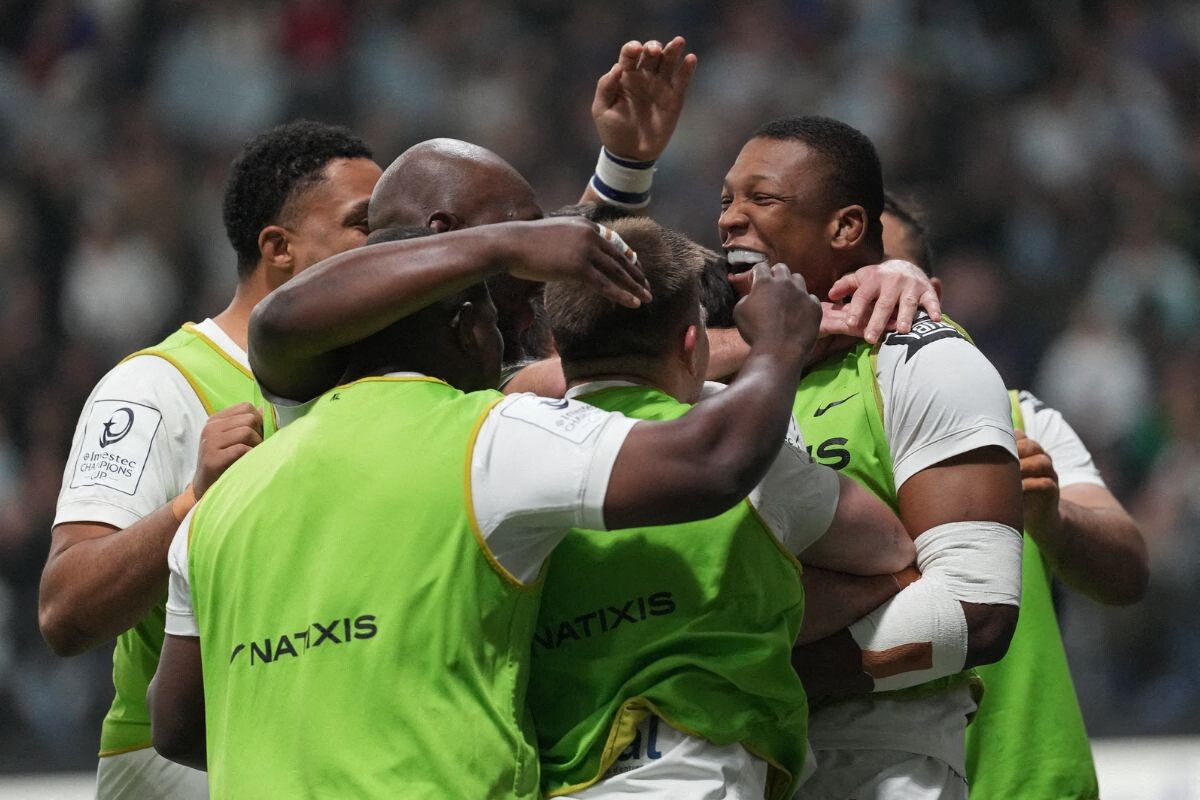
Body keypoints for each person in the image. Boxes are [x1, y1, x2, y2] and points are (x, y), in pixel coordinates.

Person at [146, 211, 826, 797]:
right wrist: (781, 344)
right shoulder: (487, 438)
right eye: (501, 322)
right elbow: (713, 462)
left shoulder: (225, 496)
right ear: (471, 330)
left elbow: (176, 725)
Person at [39, 120, 381, 798]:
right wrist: (194, 501)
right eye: (363, 224)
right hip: (178, 766)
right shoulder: (154, 388)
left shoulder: (379, 385)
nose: (390, 246)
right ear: (279, 247)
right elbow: (64, 610)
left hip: (322, 755)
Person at [529, 216, 917, 800]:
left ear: (557, 346)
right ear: (693, 344)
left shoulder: (503, 450)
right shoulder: (754, 465)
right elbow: (889, 547)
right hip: (700, 780)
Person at [717, 115, 1024, 800]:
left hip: (877, 764)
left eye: (760, 199)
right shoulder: (730, 370)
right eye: (725, 200)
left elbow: (977, 610)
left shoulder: (922, 357)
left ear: (847, 228)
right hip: (738, 761)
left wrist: (750, 670)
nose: (730, 219)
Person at [881, 192, 1148, 800]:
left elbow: (1129, 570)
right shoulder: (788, 431)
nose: (876, 291)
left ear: (932, 298)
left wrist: (1052, 519)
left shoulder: (1016, 417)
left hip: (1031, 783)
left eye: (894, 274)